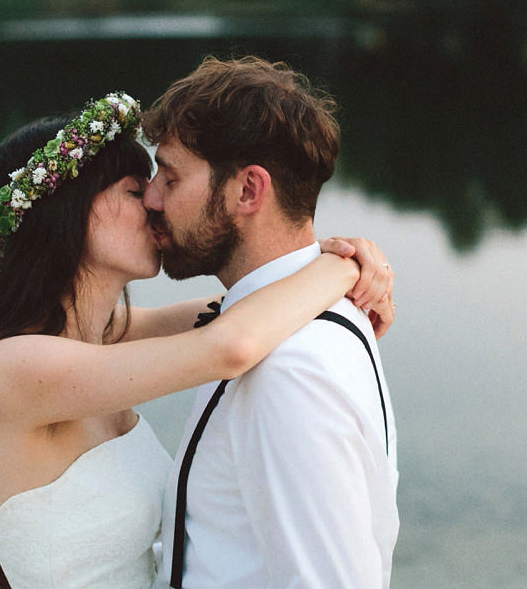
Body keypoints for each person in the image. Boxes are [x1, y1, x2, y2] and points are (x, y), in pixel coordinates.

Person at [0, 91, 395, 589]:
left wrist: (346, 261)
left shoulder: (100, 337)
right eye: (136, 191)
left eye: (163, 182)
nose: (156, 203)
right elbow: (231, 344)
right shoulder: (13, 369)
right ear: (69, 214)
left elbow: (242, 308)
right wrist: (343, 267)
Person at [142, 57, 399, 589]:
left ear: (247, 192)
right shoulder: (281, 317)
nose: (150, 196)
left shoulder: (290, 371)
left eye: (170, 176)